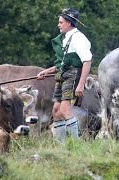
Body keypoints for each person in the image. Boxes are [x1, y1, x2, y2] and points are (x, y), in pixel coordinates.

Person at [37, 8, 92, 142]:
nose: (58, 25)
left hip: (73, 75)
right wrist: (46, 71)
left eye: (61, 22)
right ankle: (61, 145)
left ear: (69, 23)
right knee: (56, 110)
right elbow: (63, 64)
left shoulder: (78, 38)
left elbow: (87, 61)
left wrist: (80, 85)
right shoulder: (66, 38)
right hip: (63, 75)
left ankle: (76, 144)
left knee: (65, 109)